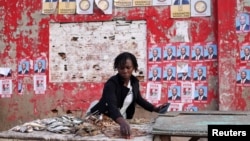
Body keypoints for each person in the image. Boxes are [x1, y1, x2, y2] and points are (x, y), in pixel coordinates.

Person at [88, 52, 169, 138]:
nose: (125, 71)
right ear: (117, 68)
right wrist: (122, 122)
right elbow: (112, 106)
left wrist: (155, 109)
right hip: (101, 120)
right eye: (121, 68)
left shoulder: (134, 82)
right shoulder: (111, 84)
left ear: (134, 67)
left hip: (117, 120)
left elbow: (139, 99)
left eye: (128, 67)